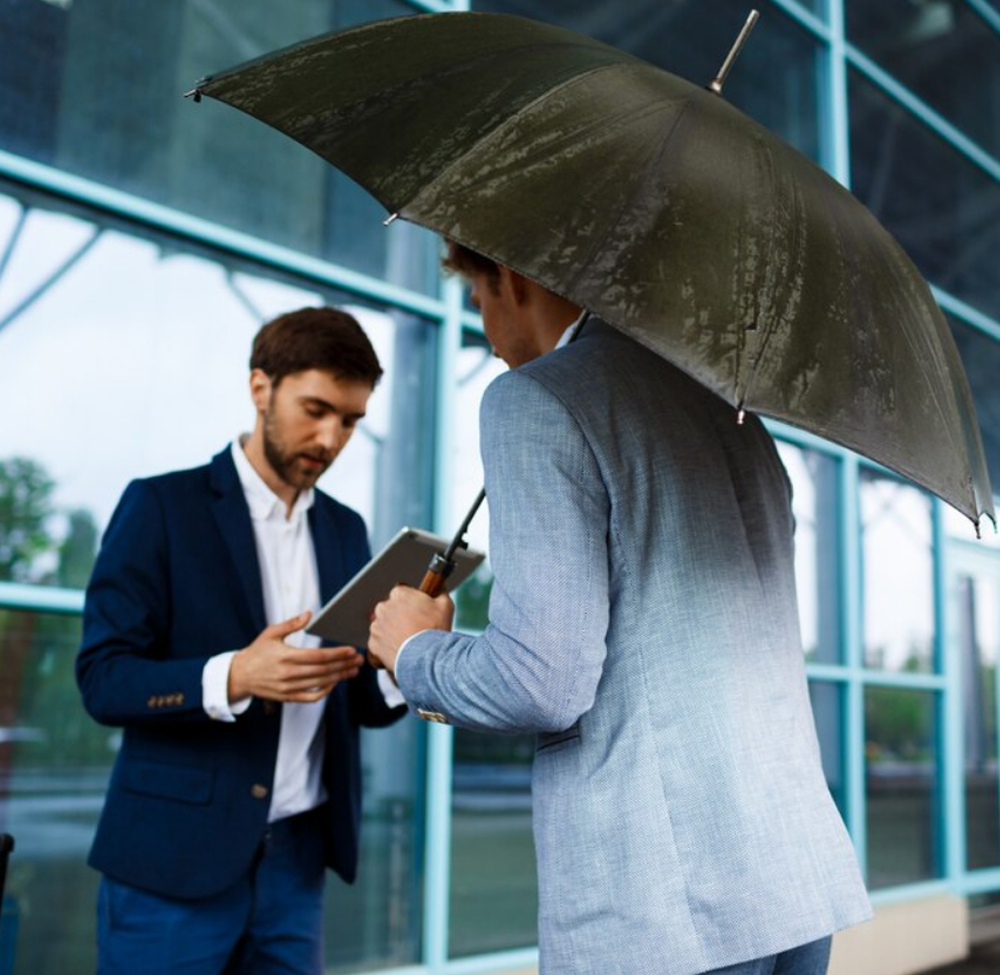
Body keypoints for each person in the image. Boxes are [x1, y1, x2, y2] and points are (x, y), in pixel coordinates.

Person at [368, 246, 872, 975]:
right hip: (791, 882)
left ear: (510, 278)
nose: (482, 329)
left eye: (476, 299)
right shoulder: (733, 417)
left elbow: (542, 680)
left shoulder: (535, 400)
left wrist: (416, 651)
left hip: (668, 905)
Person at [77, 307, 406, 975]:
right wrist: (234, 676)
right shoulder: (162, 508)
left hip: (298, 860)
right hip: (172, 862)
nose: (330, 436)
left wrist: (404, 654)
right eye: (316, 408)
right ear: (261, 388)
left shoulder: (347, 531)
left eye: (349, 420)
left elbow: (365, 704)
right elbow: (103, 679)